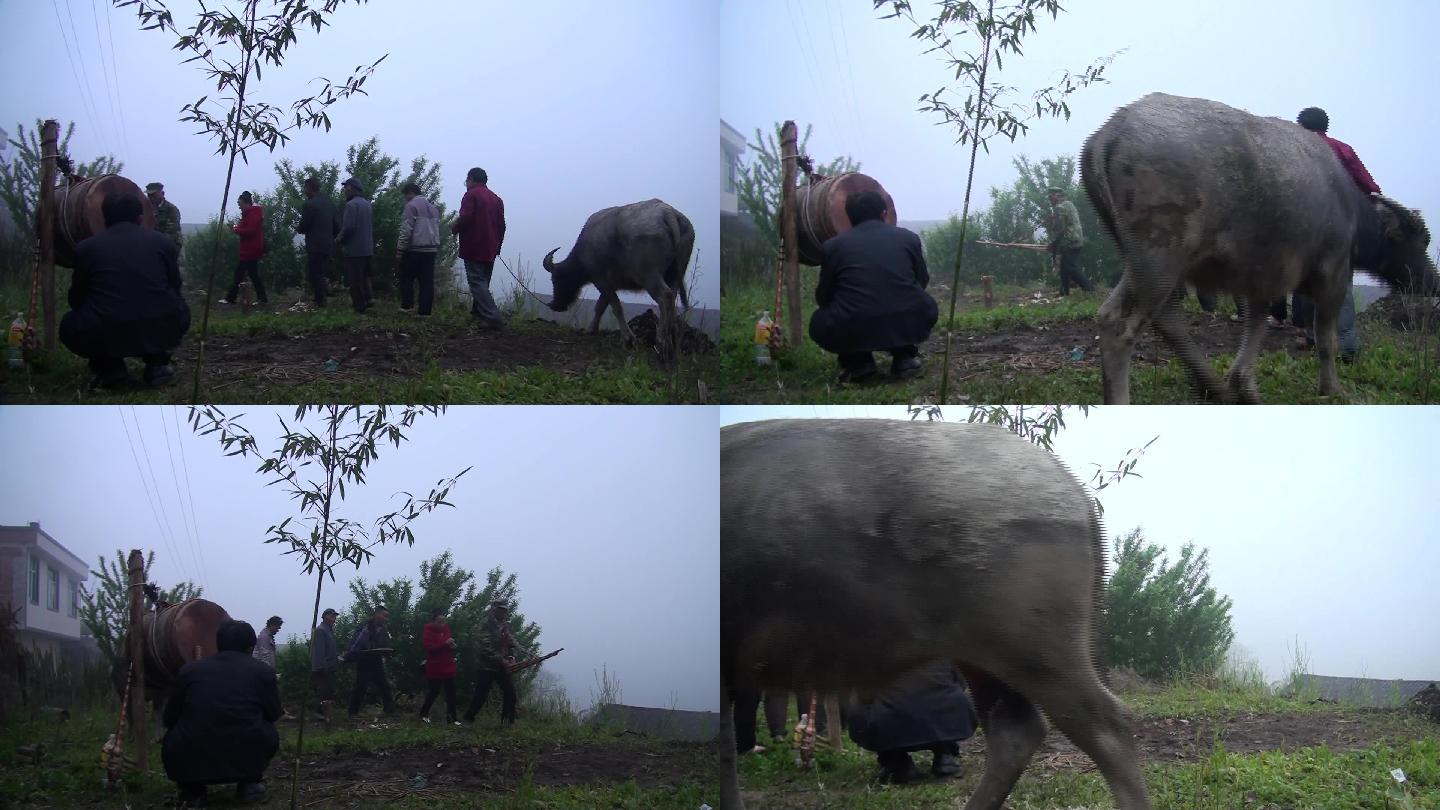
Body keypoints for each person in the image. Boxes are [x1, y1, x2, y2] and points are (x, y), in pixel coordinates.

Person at [60, 190, 190, 389]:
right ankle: (157, 365)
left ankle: (111, 369)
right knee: (178, 310)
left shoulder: (86, 248)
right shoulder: (162, 243)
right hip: (160, 325)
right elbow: (175, 287)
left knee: (69, 323)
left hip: (105, 328)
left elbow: (77, 298)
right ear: (140, 218)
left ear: (104, 217)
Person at [808, 190, 938, 383]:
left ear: (849, 216)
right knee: (920, 304)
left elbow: (824, 296)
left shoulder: (833, 246)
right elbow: (921, 281)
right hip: (908, 319)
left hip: (852, 323)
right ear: (883, 213)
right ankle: (904, 358)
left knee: (819, 320)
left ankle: (858, 362)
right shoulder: (908, 238)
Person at [161, 619, 281, 807]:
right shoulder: (263, 672)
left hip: (191, 756)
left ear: (218, 644)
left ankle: (193, 791)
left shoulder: (189, 671)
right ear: (251, 647)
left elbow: (169, 718)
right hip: (246, 751)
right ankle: (248, 783)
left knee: (174, 736)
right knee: (269, 733)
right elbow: (273, 714)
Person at [1294, 106, 1370, 362]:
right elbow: (1369, 185)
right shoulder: (1342, 149)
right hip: (1338, 228)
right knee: (1341, 286)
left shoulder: (1293, 152)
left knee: (1303, 281)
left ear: (1301, 126)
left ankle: (1312, 337)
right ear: (1325, 126)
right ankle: (1348, 348)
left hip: (1303, 226)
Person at [848, 662, 978, 784]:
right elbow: (960, 681)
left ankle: (897, 762)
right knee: (948, 695)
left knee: (857, 705)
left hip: (894, 722)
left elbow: (864, 695)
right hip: (944, 714)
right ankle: (945, 755)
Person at [451, 167, 506, 330]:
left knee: (477, 282)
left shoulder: (471, 194)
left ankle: (492, 317)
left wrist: (454, 227)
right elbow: (502, 226)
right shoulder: (496, 199)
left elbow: (466, 217)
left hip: (474, 244)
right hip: (491, 247)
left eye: (466, 181)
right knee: (483, 281)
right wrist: (498, 245)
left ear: (471, 179)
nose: (466, 184)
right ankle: (478, 314)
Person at [464, 601, 518, 725]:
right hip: (486, 666)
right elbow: (485, 648)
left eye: (505, 610)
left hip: (501, 667)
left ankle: (507, 722)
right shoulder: (485, 624)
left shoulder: (506, 626)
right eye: (500, 609)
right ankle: (468, 719)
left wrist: (511, 657)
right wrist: (502, 659)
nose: (503, 612)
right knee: (481, 695)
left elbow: (511, 644)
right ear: (493, 609)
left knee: (510, 693)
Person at [396, 181, 442, 316]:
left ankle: (407, 307)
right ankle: (425, 312)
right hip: (431, 250)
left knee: (407, 278)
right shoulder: (433, 208)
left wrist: (400, 249)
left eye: (406, 195)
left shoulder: (411, 206)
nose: (406, 199)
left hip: (414, 250)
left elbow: (406, 229)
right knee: (427, 282)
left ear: (411, 193)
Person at [296, 177, 340, 308]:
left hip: (315, 244)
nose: (304, 191)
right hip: (328, 243)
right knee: (322, 271)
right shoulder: (329, 203)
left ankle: (320, 300)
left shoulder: (310, 204)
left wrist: (299, 228)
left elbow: (305, 225)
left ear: (309, 188)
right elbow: (336, 225)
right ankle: (323, 295)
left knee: (314, 273)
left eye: (305, 188)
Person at [344, 605, 395, 717]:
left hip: (376, 660)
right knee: (361, 686)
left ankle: (389, 710)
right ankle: (352, 712)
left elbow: (386, 644)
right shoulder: (365, 627)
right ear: (377, 614)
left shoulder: (384, 630)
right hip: (364, 660)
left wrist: (386, 651)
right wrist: (349, 656)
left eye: (387, 617)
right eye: (384, 615)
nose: (385, 618)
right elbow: (356, 643)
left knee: (384, 685)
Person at [219, 191, 268, 305]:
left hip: (251, 250)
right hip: (249, 250)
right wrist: (235, 227)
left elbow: (249, 231)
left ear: (247, 204)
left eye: (240, 205)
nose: (240, 208)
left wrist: (235, 229)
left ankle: (231, 298)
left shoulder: (253, 214)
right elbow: (244, 227)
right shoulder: (249, 214)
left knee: (240, 274)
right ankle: (262, 298)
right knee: (251, 275)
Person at [335, 177, 375, 313]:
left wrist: (339, 239)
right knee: (364, 276)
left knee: (354, 280)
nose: (344, 190)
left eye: (346, 187)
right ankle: (369, 299)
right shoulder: (367, 204)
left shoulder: (351, 205)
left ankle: (359, 307)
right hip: (367, 248)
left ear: (352, 188)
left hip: (355, 249)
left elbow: (349, 227)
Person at [1044, 187, 1094, 296]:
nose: (1050, 200)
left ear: (1058, 196)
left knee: (1071, 267)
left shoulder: (1059, 208)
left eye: (1051, 197)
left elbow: (1059, 229)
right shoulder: (1070, 205)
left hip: (1069, 241)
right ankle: (1064, 291)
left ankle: (1089, 289)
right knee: (1064, 268)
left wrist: (1053, 243)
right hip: (1078, 239)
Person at [418, 607, 460, 725]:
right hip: (434, 666)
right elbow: (429, 648)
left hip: (448, 665)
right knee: (434, 692)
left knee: (451, 692)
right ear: (433, 622)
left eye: (444, 621)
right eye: (439, 622)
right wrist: (444, 644)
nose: (442, 624)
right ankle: (424, 714)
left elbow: (448, 643)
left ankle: (452, 719)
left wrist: (452, 645)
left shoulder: (446, 629)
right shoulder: (428, 630)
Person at [310, 608, 340, 721]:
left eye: (335, 616)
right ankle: (320, 714)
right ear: (324, 617)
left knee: (329, 691)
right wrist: (322, 667)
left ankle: (324, 714)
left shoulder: (329, 630)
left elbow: (330, 650)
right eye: (332, 616)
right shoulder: (321, 630)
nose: (334, 618)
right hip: (323, 667)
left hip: (330, 666)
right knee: (324, 691)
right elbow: (319, 651)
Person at [145, 182, 184, 250]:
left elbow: (172, 231)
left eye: (153, 195)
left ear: (162, 193)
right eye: (149, 195)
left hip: (171, 245)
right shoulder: (146, 209)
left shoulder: (171, 209)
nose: (151, 198)